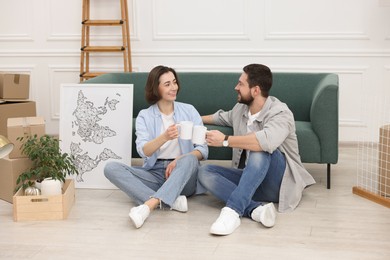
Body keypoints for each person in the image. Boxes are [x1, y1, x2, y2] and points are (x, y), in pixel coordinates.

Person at [199, 63, 315, 236]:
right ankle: (255, 210)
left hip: (279, 183)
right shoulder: (241, 109)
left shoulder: (281, 113)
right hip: (251, 180)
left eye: (241, 84)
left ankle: (232, 211)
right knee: (204, 172)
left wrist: (224, 140)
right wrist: (190, 118)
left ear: (255, 90)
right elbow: (220, 117)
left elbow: (264, 142)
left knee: (260, 147)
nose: (235, 87)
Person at [104, 65, 208, 228]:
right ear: (156, 88)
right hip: (155, 173)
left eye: (174, 82)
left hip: (184, 173)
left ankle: (149, 205)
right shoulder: (144, 116)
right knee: (110, 168)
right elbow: (143, 150)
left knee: (190, 160)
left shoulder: (189, 110)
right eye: (167, 84)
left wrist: (180, 159)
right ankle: (169, 200)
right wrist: (164, 137)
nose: (174, 87)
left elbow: (203, 150)